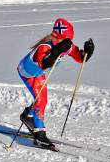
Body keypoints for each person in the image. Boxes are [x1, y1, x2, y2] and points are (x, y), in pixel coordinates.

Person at [17, 18, 94, 151]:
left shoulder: (66, 46)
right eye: (56, 38)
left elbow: (80, 58)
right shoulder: (45, 46)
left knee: (43, 100)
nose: (62, 41)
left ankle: (28, 115)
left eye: (66, 40)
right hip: (28, 72)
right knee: (40, 101)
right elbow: (44, 63)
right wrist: (56, 52)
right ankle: (39, 135)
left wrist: (87, 52)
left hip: (38, 74)